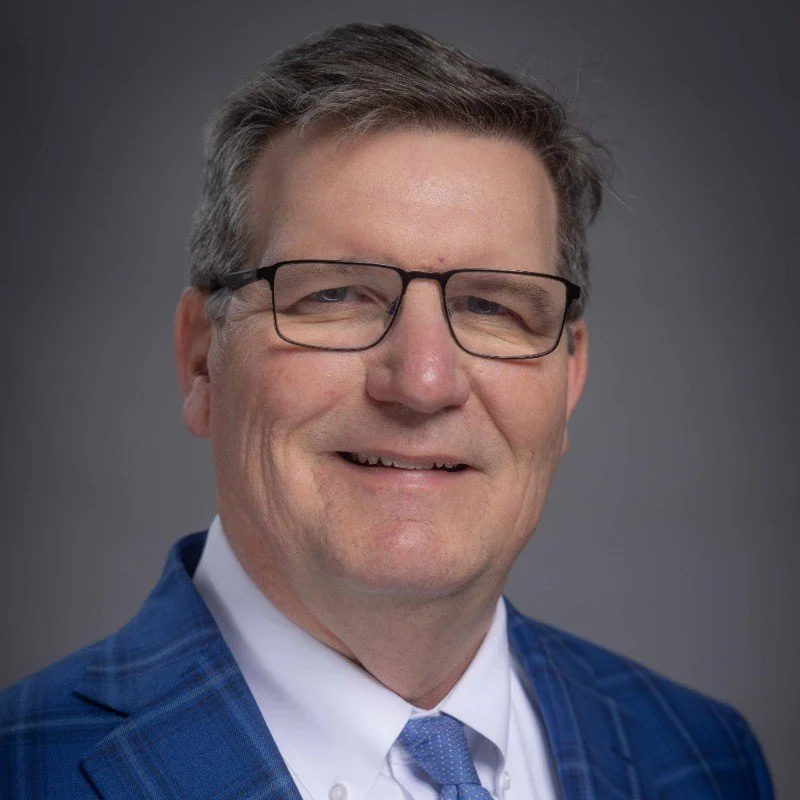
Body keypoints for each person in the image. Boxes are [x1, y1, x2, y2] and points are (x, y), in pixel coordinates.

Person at [0, 22, 773, 800]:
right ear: (204, 358)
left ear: (568, 378)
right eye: (334, 294)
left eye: (493, 306)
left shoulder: (705, 758)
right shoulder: (23, 769)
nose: (424, 380)